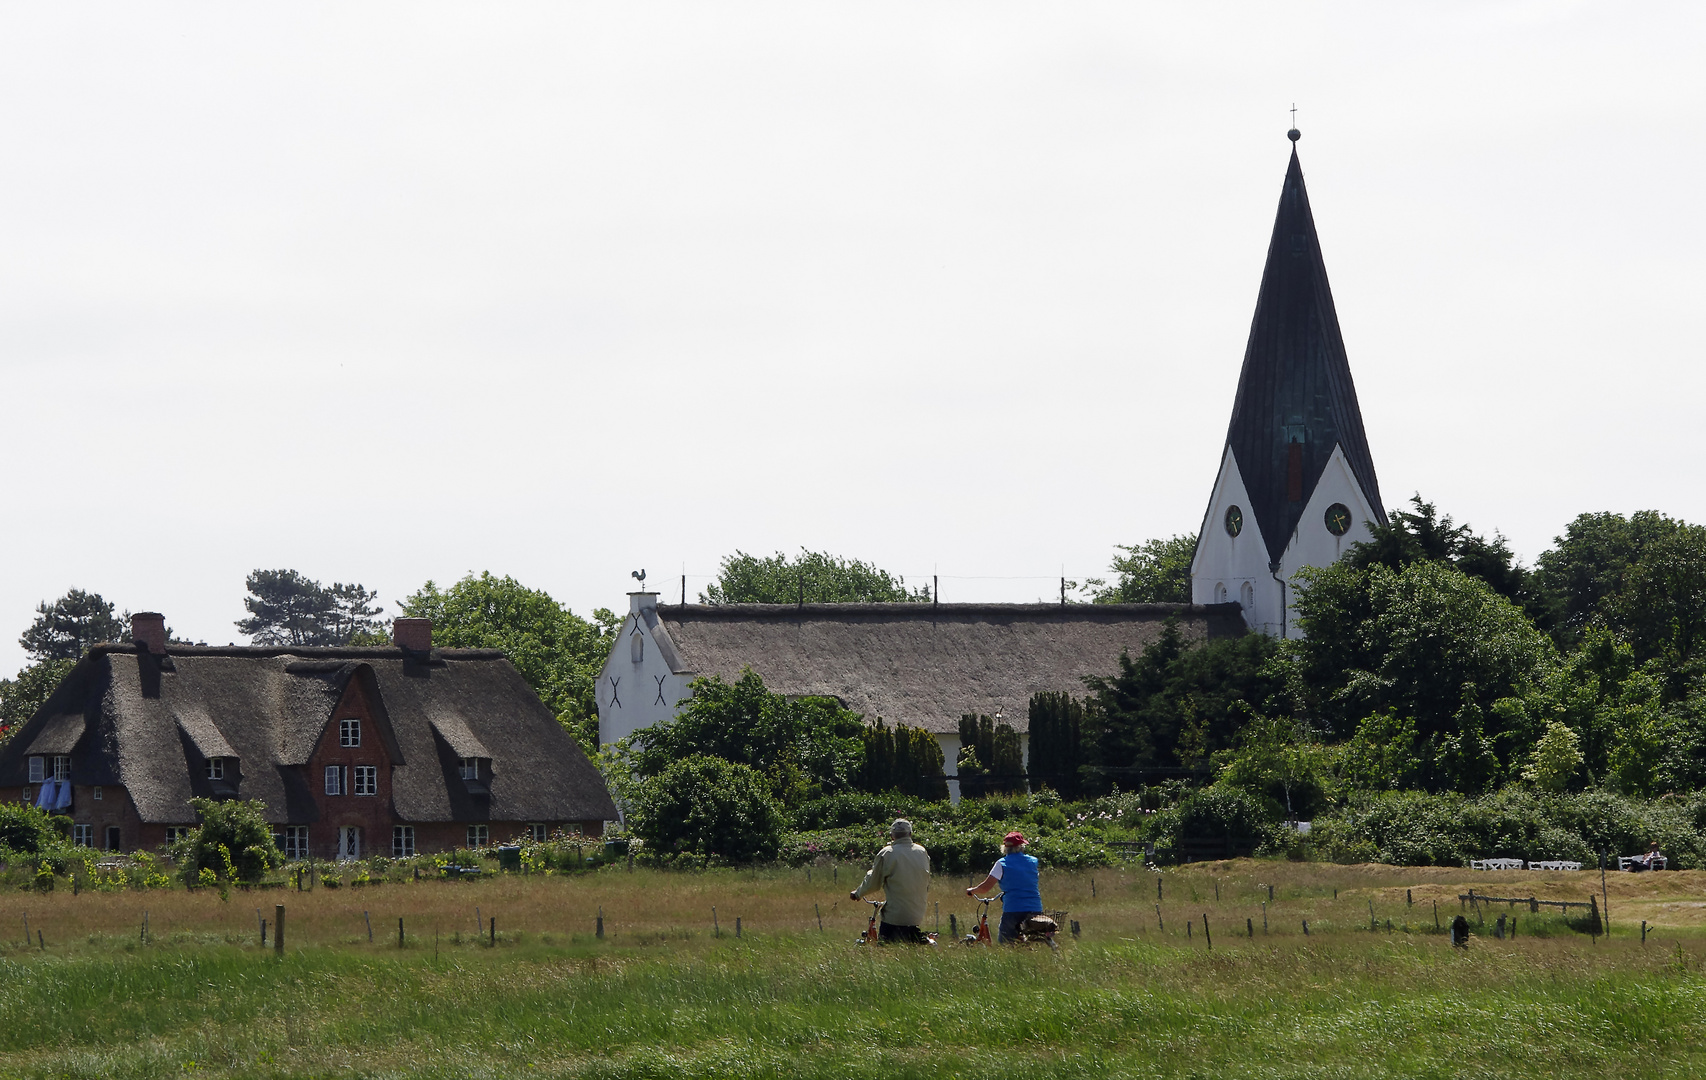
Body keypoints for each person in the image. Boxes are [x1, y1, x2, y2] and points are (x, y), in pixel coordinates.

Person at [850, 818, 932, 943]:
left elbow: (873, 883)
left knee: (886, 951)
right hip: (917, 915)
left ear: (892, 836)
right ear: (910, 834)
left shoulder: (887, 853)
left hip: (894, 917)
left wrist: (857, 893)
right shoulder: (922, 852)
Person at [967, 830, 1042, 944]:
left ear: (1005, 848)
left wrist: (972, 890)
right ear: (1021, 846)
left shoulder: (1002, 863)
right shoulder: (1033, 861)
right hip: (1035, 907)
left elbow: (985, 888)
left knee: (1006, 942)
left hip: (1013, 909)